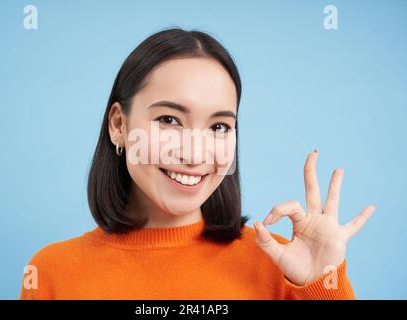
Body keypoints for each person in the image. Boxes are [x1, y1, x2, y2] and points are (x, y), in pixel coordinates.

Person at [20, 28, 375, 299]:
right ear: (118, 125)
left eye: (219, 126)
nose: (195, 154)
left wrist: (323, 281)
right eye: (169, 120)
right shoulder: (51, 272)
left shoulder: (281, 265)